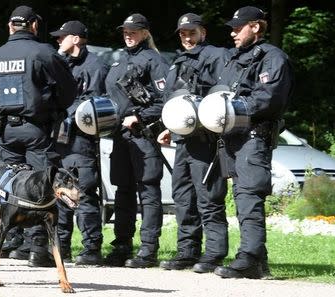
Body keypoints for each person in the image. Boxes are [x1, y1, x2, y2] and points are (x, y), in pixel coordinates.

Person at [0, 5, 76, 267]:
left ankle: (12, 243)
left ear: (10, 26)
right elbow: (68, 90)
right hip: (38, 128)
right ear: (34, 25)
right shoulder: (44, 52)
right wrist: (55, 108)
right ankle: (37, 249)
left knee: (10, 187)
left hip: (7, 130)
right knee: (39, 187)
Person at [213, 6, 293, 279]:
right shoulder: (235, 58)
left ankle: (248, 258)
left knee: (249, 195)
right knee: (242, 196)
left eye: (238, 27)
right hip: (233, 137)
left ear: (256, 27)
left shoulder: (273, 57)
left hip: (254, 136)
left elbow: (269, 98)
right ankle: (259, 261)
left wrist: (229, 107)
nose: (233, 32)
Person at [156, 13, 229, 273]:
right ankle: (187, 252)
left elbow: (224, 94)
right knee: (183, 197)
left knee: (208, 197)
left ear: (203, 32)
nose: (187, 37)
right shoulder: (179, 61)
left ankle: (215, 253)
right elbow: (171, 99)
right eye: (183, 33)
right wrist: (168, 127)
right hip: (183, 141)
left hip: (206, 140)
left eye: (192, 32)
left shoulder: (218, 56)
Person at [103, 13, 169, 268]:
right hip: (121, 137)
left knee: (148, 191)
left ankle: (148, 249)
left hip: (144, 135)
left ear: (145, 32)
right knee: (123, 191)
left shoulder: (155, 60)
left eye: (133, 31)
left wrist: (138, 116)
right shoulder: (119, 61)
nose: (128, 35)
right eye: (125, 31)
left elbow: (165, 101)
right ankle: (122, 245)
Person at [49, 20, 108, 265]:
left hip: (81, 141)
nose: (57, 42)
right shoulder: (58, 64)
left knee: (84, 193)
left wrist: (62, 111)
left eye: (61, 37)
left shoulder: (95, 65)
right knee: (60, 193)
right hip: (58, 141)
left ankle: (91, 248)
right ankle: (62, 248)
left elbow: (92, 102)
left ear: (75, 38)